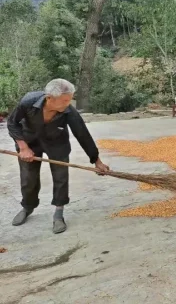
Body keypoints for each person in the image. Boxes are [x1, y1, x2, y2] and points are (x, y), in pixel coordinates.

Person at [7, 79, 110, 234]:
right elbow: (12, 123)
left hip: (57, 143)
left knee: (61, 177)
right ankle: (27, 207)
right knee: (28, 178)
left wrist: (97, 161)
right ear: (49, 98)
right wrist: (23, 147)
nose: (68, 104)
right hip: (29, 142)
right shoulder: (28, 102)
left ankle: (59, 213)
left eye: (70, 100)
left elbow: (82, 134)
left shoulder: (69, 111)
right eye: (65, 100)